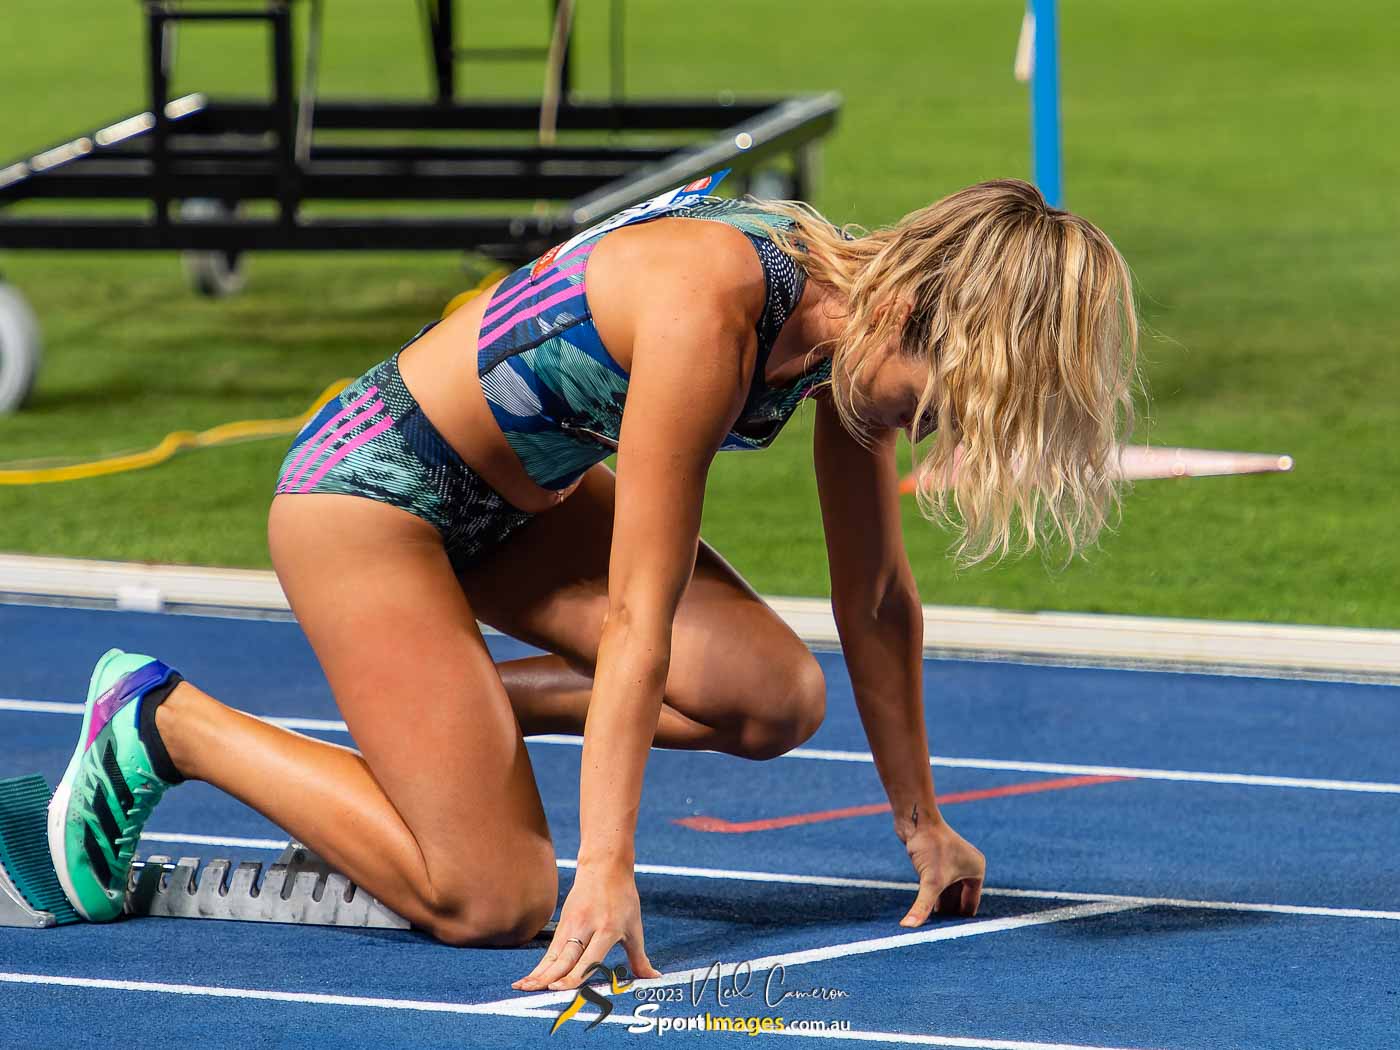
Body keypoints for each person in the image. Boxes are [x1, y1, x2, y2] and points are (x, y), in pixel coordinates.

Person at [47, 173, 1140, 992]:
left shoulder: (848, 333)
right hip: (367, 500)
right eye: (932, 404)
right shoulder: (713, 302)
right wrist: (605, 864)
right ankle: (164, 721)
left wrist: (922, 824)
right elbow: (634, 615)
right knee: (497, 901)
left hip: (515, 509)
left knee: (775, 694)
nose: (917, 430)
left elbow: (873, 598)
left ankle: (445, 735)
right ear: (907, 318)